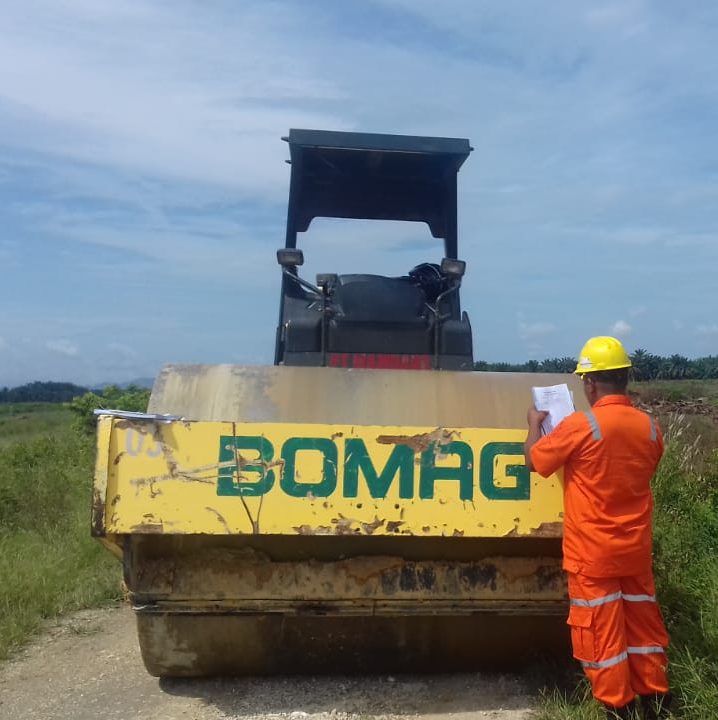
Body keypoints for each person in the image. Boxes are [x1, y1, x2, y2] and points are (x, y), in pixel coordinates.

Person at [524, 336, 672, 720]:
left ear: (590, 383)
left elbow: (535, 462)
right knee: (643, 630)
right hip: (635, 551)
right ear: (625, 378)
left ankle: (617, 708)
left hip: (593, 555)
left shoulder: (580, 425)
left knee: (602, 637)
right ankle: (655, 703)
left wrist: (533, 425)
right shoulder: (650, 427)